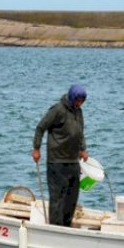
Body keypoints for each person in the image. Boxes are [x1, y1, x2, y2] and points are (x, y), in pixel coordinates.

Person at [32, 84, 89, 226]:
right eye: (77, 100)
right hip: (56, 161)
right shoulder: (57, 110)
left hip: (73, 160)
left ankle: (66, 225)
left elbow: (80, 132)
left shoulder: (79, 112)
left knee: (72, 197)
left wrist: (83, 149)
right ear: (71, 97)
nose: (79, 103)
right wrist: (36, 148)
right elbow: (40, 127)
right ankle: (55, 227)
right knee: (57, 197)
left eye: (82, 101)